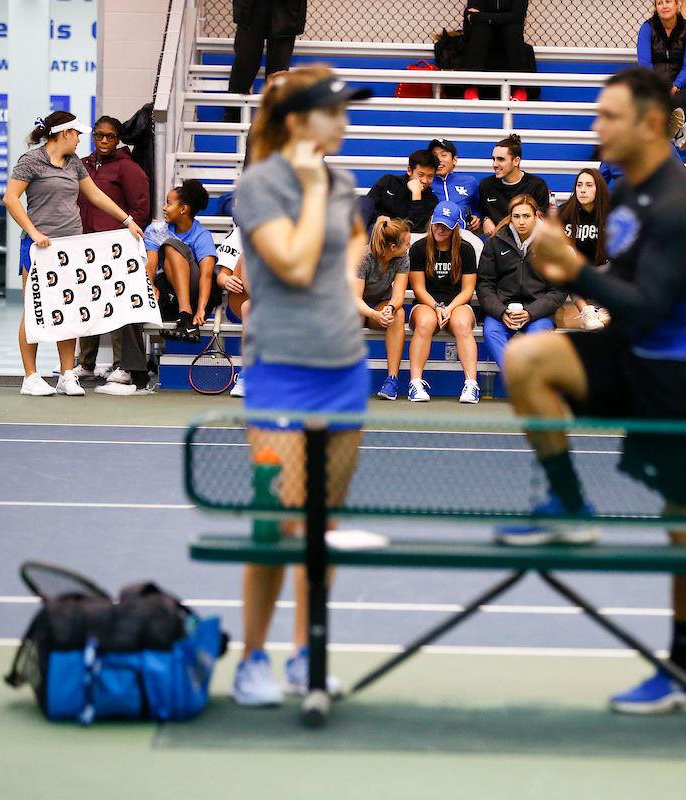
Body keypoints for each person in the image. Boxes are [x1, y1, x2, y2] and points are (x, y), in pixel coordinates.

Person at [500, 67, 686, 714]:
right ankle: (571, 508)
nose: (596, 127)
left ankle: (683, 672)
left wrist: (574, 269)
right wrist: (565, 272)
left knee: (684, 523)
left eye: (609, 116)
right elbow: (623, 288)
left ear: (651, 124)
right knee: (527, 361)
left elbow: (652, 306)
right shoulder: (628, 194)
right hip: (636, 352)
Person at [230, 65, 372, 706]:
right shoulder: (261, 184)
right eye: (333, 111)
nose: (344, 122)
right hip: (281, 373)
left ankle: (306, 653)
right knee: (276, 521)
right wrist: (313, 191)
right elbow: (287, 264)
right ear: (297, 122)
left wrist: (347, 272)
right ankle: (252, 658)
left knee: (323, 523)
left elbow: (355, 238)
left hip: (344, 370)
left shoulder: (341, 180)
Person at [4, 111, 145, 397]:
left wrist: (128, 220)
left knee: (67, 311)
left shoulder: (74, 165)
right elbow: (11, 198)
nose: (81, 139)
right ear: (64, 133)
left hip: (71, 248)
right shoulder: (31, 161)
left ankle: (67, 374)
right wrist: (34, 232)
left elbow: (95, 196)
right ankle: (30, 377)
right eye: (78, 133)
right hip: (37, 248)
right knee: (34, 310)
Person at [74, 115, 153, 394]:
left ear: (118, 139)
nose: (104, 141)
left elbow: (141, 210)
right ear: (92, 136)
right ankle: (85, 364)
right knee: (86, 304)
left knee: (115, 306)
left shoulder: (128, 169)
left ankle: (122, 365)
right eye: (99, 135)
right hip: (83, 246)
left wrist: (124, 239)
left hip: (114, 249)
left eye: (110, 136)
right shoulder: (81, 165)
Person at [476, 195, 565, 372]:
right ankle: (518, 379)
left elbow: (559, 290)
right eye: (516, 216)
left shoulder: (551, 243)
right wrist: (501, 312)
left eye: (526, 216)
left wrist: (531, 312)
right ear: (510, 217)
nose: (521, 221)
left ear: (536, 215)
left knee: (538, 339)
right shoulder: (495, 241)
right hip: (503, 311)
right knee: (491, 332)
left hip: (538, 313)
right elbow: (484, 284)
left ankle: (525, 385)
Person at [407, 202, 480, 403]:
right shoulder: (419, 248)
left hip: (457, 304)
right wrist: (436, 307)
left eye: (446, 226)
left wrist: (450, 308)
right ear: (431, 221)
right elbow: (419, 288)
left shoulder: (466, 250)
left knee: (462, 323)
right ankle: (415, 382)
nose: (440, 229)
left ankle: (471, 384)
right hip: (426, 303)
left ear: (456, 226)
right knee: (425, 322)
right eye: (437, 224)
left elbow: (468, 289)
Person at [143, 180, 221, 344]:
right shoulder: (155, 230)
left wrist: (200, 308)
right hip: (171, 294)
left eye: (169, 204)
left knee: (171, 245)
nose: (164, 208)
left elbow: (206, 276)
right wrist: (151, 288)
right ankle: (133, 366)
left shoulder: (202, 235)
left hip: (198, 296)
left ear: (183, 209)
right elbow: (150, 265)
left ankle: (186, 316)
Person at [355, 218, 412, 400]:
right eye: (406, 243)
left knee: (399, 313)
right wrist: (374, 314)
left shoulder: (403, 257)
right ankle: (344, 379)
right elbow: (354, 298)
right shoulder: (363, 258)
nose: (410, 246)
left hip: (379, 306)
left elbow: (398, 296)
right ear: (392, 247)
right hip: (354, 307)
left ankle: (391, 380)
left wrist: (389, 309)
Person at [637, 0, 686, 150]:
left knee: (681, 99)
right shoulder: (647, 28)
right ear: (655, 7)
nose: (665, 6)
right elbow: (645, 64)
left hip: (680, 84)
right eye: (660, 3)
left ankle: (675, 130)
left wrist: (675, 85)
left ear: (677, 4)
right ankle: (681, 131)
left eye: (668, 1)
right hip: (653, 84)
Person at [223, 0, 306, 123]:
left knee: (279, 65)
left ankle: (275, 113)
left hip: (286, 9)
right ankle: (234, 111)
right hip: (253, 7)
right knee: (245, 58)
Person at [557, 168, 612, 330]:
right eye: (579, 185)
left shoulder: (611, 212)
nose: (582, 190)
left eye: (589, 185)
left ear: (598, 188)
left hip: (604, 270)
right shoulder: (564, 212)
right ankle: (586, 312)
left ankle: (606, 309)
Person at [478, 134, 550, 236]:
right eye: (493, 159)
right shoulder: (486, 185)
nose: (495, 164)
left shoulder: (537, 185)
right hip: (496, 245)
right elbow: (481, 212)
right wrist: (485, 219)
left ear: (516, 161)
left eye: (501, 159)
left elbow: (541, 222)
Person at [461, 0, 531, 102]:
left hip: (507, 34)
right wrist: (508, 17)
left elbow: (518, 16)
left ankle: (519, 89)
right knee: (481, 30)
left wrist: (482, 17)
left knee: (513, 30)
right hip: (484, 34)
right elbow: (471, 16)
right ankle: (472, 87)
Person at [215, 226, 251, 397]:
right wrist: (226, 280)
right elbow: (222, 275)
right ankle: (246, 376)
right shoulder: (240, 231)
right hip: (244, 300)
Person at [366, 149, 438, 233]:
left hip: (401, 236)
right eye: (420, 175)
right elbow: (368, 206)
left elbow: (418, 228)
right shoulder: (388, 181)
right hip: (377, 229)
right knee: (363, 200)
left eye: (430, 176)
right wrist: (378, 216)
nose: (425, 180)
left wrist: (416, 195)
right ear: (409, 171)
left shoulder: (431, 199)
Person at [429, 138, 481, 231]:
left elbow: (478, 209)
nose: (439, 159)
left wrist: (477, 218)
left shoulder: (470, 182)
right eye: (434, 155)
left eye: (443, 155)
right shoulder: (425, 183)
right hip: (433, 235)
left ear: (454, 160)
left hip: (463, 236)